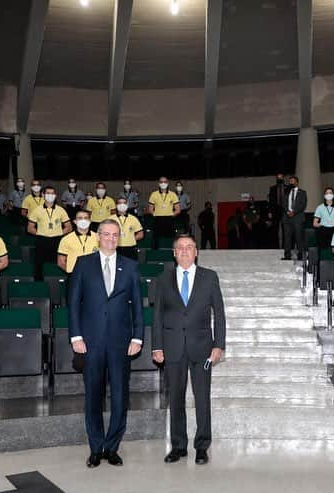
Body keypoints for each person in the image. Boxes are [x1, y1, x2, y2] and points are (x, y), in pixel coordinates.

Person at [69, 219, 143, 468]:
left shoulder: (130, 267)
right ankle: (95, 447)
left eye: (115, 235)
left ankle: (112, 447)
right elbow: (73, 303)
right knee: (93, 396)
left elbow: (138, 306)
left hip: (121, 342)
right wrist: (76, 336)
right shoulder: (83, 264)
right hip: (90, 342)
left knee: (120, 395)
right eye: (106, 234)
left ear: (119, 238)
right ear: (98, 236)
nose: (111, 238)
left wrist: (138, 336)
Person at [152, 234, 226, 465]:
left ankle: (202, 446)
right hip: (172, 347)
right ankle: (178, 446)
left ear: (196, 252)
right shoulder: (163, 279)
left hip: (202, 347)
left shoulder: (209, 277)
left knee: (202, 398)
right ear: (174, 253)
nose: (184, 251)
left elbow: (220, 313)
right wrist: (157, 346)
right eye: (180, 248)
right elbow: (157, 316)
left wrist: (219, 345)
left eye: (189, 247)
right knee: (176, 398)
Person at [27, 186, 71, 280]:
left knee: (58, 263)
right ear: (43, 195)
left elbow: (69, 227)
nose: (50, 195)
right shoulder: (37, 210)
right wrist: (41, 233)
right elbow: (30, 228)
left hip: (57, 240)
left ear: (55, 196)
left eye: (52, 193)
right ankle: (39, 286)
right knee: (38, 265)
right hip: (41, 240)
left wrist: (58, 233)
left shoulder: (61, 210)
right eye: (48, 193)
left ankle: (59, 282)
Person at [57, 210, 99, 274]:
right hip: (73, 275)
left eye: (86, 218)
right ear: (75, 221)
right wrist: (72, 274)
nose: (83, 220)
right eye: (80, 218)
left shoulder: (99, 238)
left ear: (90, 221)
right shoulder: (66, 239)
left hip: (93, 275)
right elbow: (61, 262)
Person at [147, 176, 180, 249]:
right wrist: (156, 215)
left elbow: (178, 210)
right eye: (161, 182)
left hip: (169, 220)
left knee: (172, 240)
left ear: (168, 183)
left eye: (165, 182)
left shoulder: (173, 194)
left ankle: (173, 255)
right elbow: (150, 209)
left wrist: (171, 216)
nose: (163, 183)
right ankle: (154, 256)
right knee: (155, 240)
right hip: (157, 220)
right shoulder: (154, 194)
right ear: (159, 183)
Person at [282, 175, 307, 260]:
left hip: (298, 217)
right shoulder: (286, 192)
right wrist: (287, 211)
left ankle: (300, 255)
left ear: (297, 182)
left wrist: (294, 212)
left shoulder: (302, 192)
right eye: (290, 181)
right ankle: (287, 255)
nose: (291, 183)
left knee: (298, 237)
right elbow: (283, 203)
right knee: (287, 237)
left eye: (292, 181)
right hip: (287, 217)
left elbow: (303, 205)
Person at [267, 173, 287, 248]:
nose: (279, 179)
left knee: (285, 230)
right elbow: (270, 201)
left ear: (283, 178)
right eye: (278, 178)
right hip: (275, 211)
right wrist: (269, 211)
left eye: (281, 178)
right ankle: (275, 246)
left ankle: (286, 246)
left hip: (285, 211)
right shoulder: (272, 188)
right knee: (274, 229)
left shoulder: (287, 188)